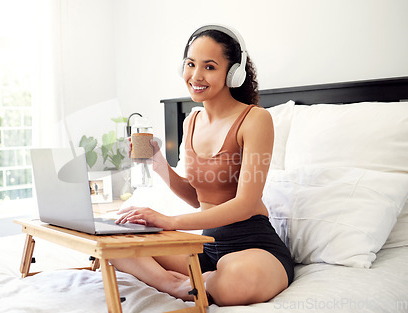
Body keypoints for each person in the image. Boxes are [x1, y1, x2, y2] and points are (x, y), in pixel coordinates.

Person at [113, 24, 294, 306]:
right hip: (207, 247)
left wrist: (170, 222)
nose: (196, 76)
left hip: (253, 247)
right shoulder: (192, 121)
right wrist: (159, 162)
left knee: (236, 277)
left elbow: (246, 203)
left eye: (209, 67)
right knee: (117, 242)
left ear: (232, 73)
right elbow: (198, 199)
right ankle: (174, 284)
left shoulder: (255, 119)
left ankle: (199, 282)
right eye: (190, 64)